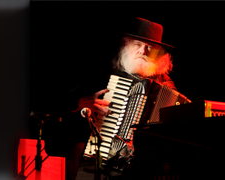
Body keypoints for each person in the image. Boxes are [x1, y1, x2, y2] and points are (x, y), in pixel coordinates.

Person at [43, 17, 177, 180]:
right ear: (125, 45)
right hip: (97, 163)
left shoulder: (165, 84)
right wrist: (82, 101)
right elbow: (58, 102)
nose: (143, 51)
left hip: (142, 169)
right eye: (137, 45)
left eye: (150, 47)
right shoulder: (104, 74)